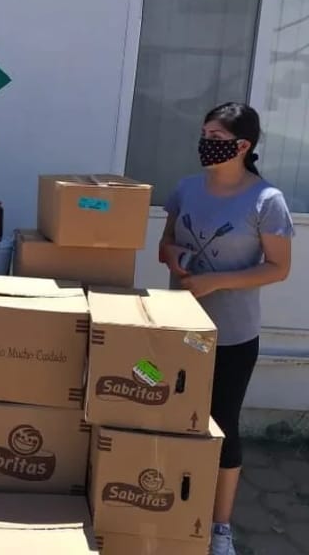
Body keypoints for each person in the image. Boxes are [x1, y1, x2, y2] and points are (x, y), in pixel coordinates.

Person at [159, 102, 293, 555]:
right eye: (203, 133)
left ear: (242, 146)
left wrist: (216, 280)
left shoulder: (266, 201)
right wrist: (172, 256)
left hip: (230, 336)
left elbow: (278, 268)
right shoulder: (186, 188)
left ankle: (219, 527)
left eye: (215, 136)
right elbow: (167, 241)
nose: (205, 142)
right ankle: (166, 501)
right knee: (156, 396)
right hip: (177, 327)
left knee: (221, 425)